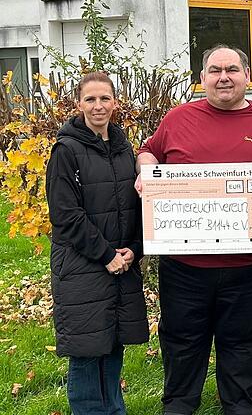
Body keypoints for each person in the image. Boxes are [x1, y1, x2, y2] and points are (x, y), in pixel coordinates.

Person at [135, 45, 252, 415]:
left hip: (250, 265)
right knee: (182, 341)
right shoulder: (178, 118)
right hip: (185, 266)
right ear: (202, 79)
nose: (223, 77)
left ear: (246, 75)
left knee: (244, 341)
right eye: (214, 70)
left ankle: (239, 404)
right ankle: (180, 404)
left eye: (232, 69)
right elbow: (149, 151)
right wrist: (146, 172)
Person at [46, 71, 148, 414]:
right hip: (83, 266)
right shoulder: (66, 150)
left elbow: (135, 206)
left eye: (105, 98)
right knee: (88, 354)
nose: (98, 105)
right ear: (79, 104)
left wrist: (134, 248)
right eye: (90, 99)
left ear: (115, 102)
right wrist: (106, 255)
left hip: (122, 263)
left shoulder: (122, 147)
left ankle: (114, 410)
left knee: (112, 345)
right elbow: (65, 215)